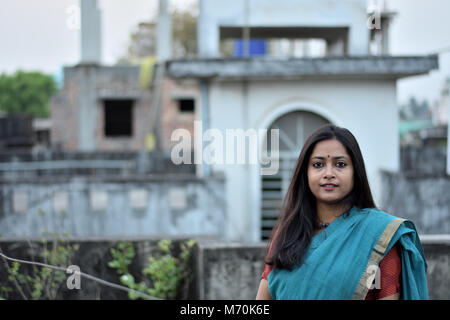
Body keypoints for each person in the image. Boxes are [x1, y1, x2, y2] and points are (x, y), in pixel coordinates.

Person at [255, 124, 428, 300]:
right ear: (305, 173)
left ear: (355, 172)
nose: (328, 173)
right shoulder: (287, 234)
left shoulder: (378, 238)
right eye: (318, 164)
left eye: (340, 164)